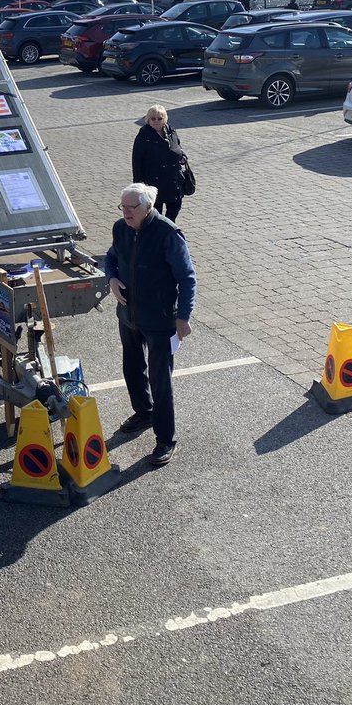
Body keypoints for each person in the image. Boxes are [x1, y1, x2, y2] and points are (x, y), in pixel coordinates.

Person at [104, 184, 196, 467]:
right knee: (131, 368)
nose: (126, 212)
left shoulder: (168, 234)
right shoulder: (121, 228)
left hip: (159, 320)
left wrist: (182, 317)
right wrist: (111, 279)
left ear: (148, 208)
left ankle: (165, 439)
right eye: (123, 206)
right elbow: (110, 258)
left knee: (161, 381)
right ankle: (143, 412)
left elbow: (187, 278)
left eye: (132, 207)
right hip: (129, 316)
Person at [131, 104, 188, 222]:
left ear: (164, 119)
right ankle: (158, 235)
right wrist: (139, 185)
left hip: (173, 181)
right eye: (153, 118)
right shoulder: (144, 135)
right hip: (154, 182)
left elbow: (178, 147)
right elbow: (137, 161)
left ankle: (167, 231)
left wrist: (182, 157)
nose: (156, 121)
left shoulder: (171, 131)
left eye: (159, 118)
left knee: (174, 209)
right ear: (148, 120)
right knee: (155, 214)